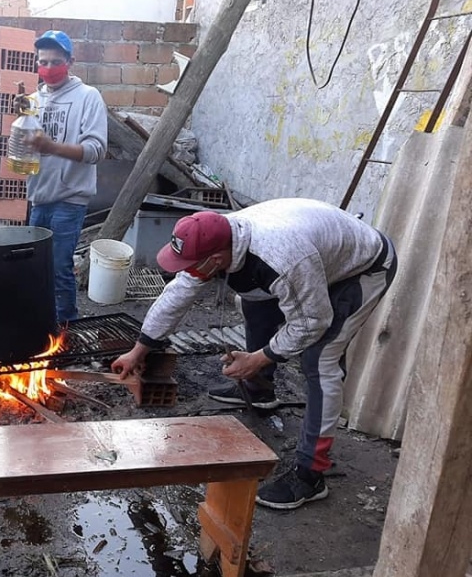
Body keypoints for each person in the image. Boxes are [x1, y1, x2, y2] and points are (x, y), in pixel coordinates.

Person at [110, 198, 398, 510]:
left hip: (362, 267)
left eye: (193, 265)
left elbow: (312, 322)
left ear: (218, 258)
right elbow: (178, 294)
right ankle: (259, 390)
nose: (188, 272)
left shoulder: (282, 259)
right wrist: (139, 350)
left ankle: (311, 474)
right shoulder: (213, 239)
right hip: (314, 258)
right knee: (253, 299)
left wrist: (260, 357)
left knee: (320, 358)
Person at [24, 30, 108, 324]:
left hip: (70, 197)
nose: (48, 68)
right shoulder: (34, 99)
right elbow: (27, 146)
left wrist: (52, 147)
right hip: (38, 196)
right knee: (36, 268)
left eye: (55, 61)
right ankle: (42, 325)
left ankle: (66, 329)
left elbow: (96, 150)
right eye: (42, 61)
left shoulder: (88, 97)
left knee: (59, 267)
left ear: (70, 61)